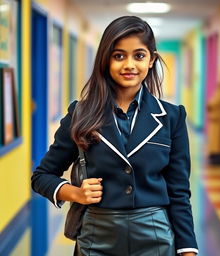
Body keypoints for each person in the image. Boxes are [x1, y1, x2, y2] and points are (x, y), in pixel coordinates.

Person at [31, 16, 198, 256]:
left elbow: (179, 191)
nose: (129, 64)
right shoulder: (80, 113)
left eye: (139, 56)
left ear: (151, 60)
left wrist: (188, 250)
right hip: (97, 236)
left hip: (156, 236)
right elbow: (41, 176)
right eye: (119, 55)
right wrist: (75, 192)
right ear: (106, 60)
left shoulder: (172, 117)